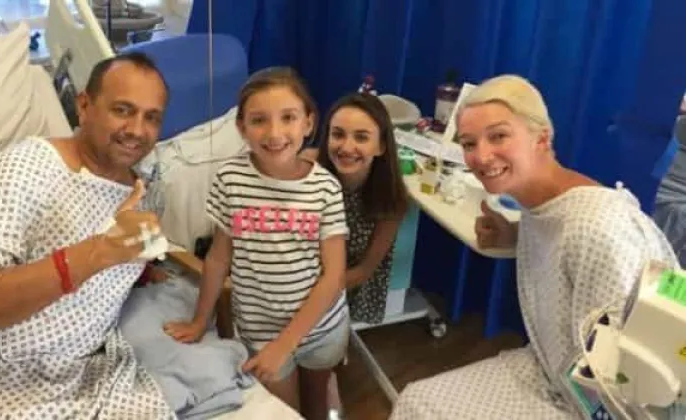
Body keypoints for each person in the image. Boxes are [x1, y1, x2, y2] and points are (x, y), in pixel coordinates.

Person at [0, 53, 177, 419]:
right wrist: (99, 252)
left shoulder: (145, 187)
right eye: (122, 110)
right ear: (84, 106)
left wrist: (142, 269)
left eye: (152, 117)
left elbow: (125, 262)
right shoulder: (26, 170)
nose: (137, 130)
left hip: (82, 368)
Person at [390, 74, 678, 419]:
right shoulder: (545, 204)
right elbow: (557, 237)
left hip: (596, 404)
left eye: (498, 136)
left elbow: (627, 381)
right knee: (415, 401)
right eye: (468, 144)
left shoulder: (598, 228)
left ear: (541, 138)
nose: (481, 156)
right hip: (551, 369)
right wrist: (513, 235)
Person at [164, 67, 349, 420]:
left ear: (309, 123)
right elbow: (218, 259)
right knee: (284, 412)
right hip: (260, 330)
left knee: (317, 403)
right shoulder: (230, 179)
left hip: (321, 329)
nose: (274, 133)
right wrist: (200, 320)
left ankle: (329, 399)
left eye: (288, 117)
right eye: (259, 120)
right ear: (242, 127)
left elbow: (334, 276)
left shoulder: (325, 188)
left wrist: (286, 344)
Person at [309, 92, 409, 416]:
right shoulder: (308, 167)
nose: (346, 146)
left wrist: (318, 293)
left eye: (362, 137)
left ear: (381, 146)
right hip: (303, 269)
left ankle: (328, 373)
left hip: (345, 280)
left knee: (320, 348)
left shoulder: (390, 199)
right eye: (338, 134)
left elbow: (365, 270)